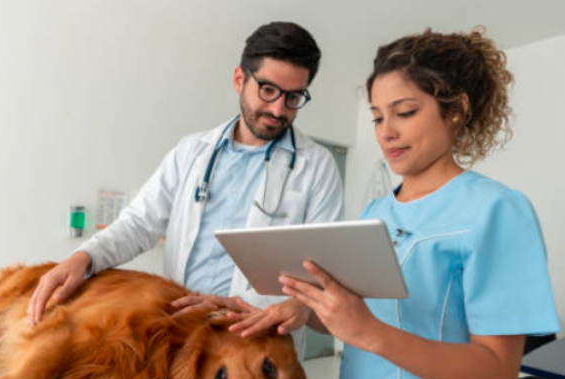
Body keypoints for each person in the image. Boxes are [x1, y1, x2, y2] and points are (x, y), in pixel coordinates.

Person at [232, 28, 560, 379]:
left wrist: (366, 332)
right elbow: (362, 318)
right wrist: (303, 310)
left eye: (405, 112)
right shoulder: (377, 213)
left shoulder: (496, 211)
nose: (387, 132)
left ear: (455, 110)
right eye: (379, 117)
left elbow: (498, 375)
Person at [27, 21, 344, 356]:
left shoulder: (316, 166)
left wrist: (302, 306)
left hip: (257, 345)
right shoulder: (192, 152)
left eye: (293, 97)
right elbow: (139, 223)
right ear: (240, 80)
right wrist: (85, 258)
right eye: (268, 90)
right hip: (181, 331)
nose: (278, 109)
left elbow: (326, 274)